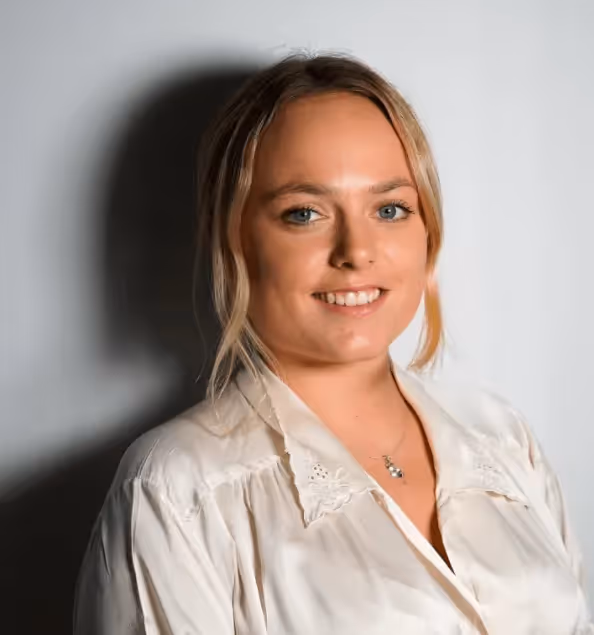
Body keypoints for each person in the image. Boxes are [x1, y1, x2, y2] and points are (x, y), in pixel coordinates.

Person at [73, 54, 592, 634]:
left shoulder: (504, 438)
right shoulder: (176, 491)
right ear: (234, 239)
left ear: (428, 232)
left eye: (390, 209)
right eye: (304, 213)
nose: (356, 251)